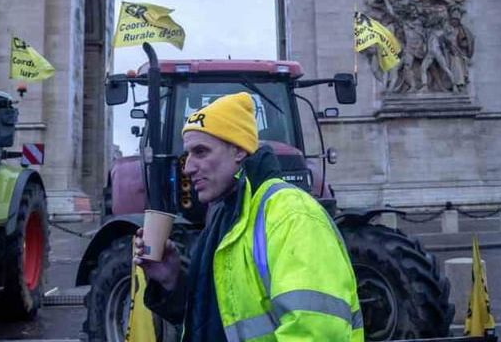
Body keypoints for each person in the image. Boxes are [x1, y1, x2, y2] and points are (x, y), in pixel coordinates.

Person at [136, 91, 364, 341]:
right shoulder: (223, 217)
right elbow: (215, 320)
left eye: (201, 152)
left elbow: (317, 332)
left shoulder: (291, 214)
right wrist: (172, 280)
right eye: (187, 154)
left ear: (239, 151)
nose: (188, 167)